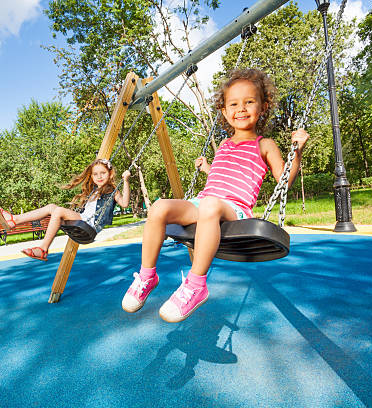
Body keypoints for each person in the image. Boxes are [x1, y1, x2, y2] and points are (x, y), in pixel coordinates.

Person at [122, 68, 310, 323]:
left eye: (249, 102)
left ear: (263, 107)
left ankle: (196, 285)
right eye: (233, 103)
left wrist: (296, 152)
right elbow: (221, 178)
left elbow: (284, 180)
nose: (240, 109)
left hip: (236, 210)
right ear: (223, 111)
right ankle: (147, 276)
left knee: (210, 205)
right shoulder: (223, 145)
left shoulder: (265, 145)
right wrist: (207, 168)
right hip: (207, 202)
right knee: (159, 207)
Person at [0, 158, 131, 261]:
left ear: (110, 173)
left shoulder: (112, 191)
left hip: (89, 226)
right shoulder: (93, 191)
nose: (99, 177)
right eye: (95, 174)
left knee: (58, 211)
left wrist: (126, 181)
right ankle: (14, 220)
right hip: (82, 221)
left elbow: (124, 203)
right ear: (92, 176)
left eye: (103, 173)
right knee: (51, 207)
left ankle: (43, 249)